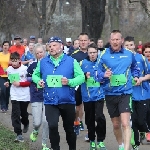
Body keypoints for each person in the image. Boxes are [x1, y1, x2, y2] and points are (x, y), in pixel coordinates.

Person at [32, 36, 85, 150]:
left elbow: (81, 77)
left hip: (67, 100)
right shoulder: (43, 62)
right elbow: (35, 75)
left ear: (61, 46)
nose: (51, 48)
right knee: (52, 126)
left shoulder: (71, 61)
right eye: (50, 46)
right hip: (50, 101)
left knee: (69, 129)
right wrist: (38, 81)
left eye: (54, 45)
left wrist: (70, 81)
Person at [94, 30, 140, 150]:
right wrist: (104, 75)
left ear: (122, 40)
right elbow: (96, 73)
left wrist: (135, 76)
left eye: (117, 39)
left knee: (125, 123)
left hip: (125, 92)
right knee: (116, 125)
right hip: (110, 93)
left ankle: (126, 148)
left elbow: (135, 67)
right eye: (113, 39)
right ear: (110, 41)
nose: (115, 42)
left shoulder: (129, 54)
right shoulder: (103, 54)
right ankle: (120, 145)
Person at [124, 36, 150, 150]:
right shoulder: (122, 59)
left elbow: (149, 74)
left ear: (134, 46)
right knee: (132, 122)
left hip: (143, 95)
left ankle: (144, 132)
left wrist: (141, 79)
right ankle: (135, 145)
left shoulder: (142, 58)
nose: (129, 47)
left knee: (141, 121)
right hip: (128, 96)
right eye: (126, 45)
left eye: (131, 45)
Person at [81, 43, 107, 150]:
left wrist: (103, 79)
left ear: (97, 52)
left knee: (100, 117)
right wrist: (84, 76)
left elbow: (108, 75)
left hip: (99, 95)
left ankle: (100, 140)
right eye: (90, 52)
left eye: (94, 52)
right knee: (89, 119)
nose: (92, 55)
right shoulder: (82, 63)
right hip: (87, 96)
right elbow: (76, 76)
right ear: (87, 52)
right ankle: (92, 140)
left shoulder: (101, 62)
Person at [27, 43, 49, 150]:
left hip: (48, 96)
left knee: (46, 121)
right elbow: (27, 78)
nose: (40, 54)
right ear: (35, 54)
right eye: (37, 53)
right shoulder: (32, 65)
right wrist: (36, 80)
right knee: (37, 122)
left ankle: (44, 144)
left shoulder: (50, 64)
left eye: (41, 52)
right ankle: (35, 130)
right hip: (36, 95)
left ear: (44, 52)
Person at [4, 52, 30, 142]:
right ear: (10, 61)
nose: (14, 63)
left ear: (19, 60)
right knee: (15, 114)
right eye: (12, 61)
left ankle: (26, 122)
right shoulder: (9, 69)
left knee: (23, 114)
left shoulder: (25, 69)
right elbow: (9, 80)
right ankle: (19, 134)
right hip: (14, 95)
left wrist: (20, 84)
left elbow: (30, 82)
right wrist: (7, 83)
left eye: (16, 61)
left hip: (25, 95)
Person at [71, 32, 89, 134]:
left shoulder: (92, 53)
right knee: (78, 107)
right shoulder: (73, 55)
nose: (83, 42)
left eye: (85, 40)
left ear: (88, 41)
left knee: (88, 106)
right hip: (78, 84)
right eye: (81, 40)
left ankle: (82, 123)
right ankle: (77, 121)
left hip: (90, 84)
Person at [0, 41, 10, 112]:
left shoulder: (11, 55)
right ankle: (3, 106)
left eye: (7, 45)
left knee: (7, 91)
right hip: (1, 75)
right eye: (4, 45)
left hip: (9, 75)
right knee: (3, 89)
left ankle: (6, 105)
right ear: (2, 46)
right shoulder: (0, 54)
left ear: (9, 47)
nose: (5, 47)